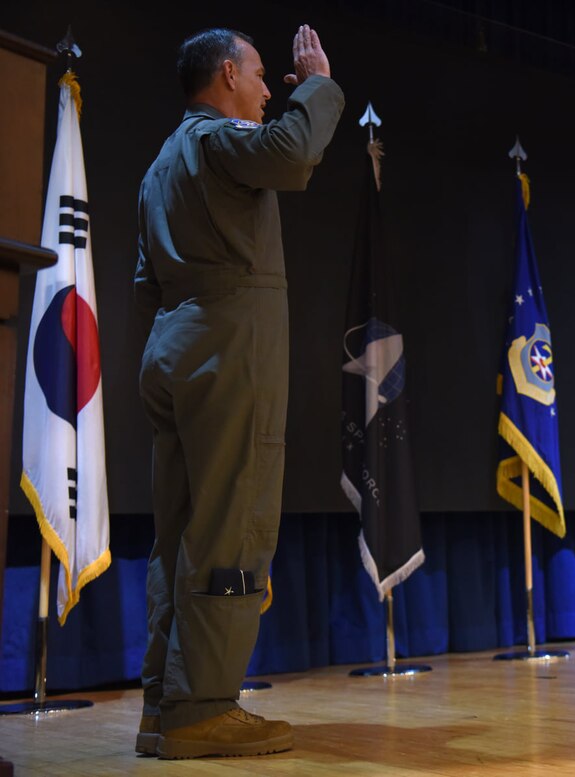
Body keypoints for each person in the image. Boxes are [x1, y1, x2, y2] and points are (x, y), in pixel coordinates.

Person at [132, 25, 344, 758]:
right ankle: (205, 706)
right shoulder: (219, 140)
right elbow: (291, 153)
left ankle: (164, 703)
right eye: (258, 76)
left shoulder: (161, 164)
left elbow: (141, 283)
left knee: (181, 534)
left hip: (172, 345)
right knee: (233, 522)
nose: (266, 90)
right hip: (228, 344)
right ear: (226, 75)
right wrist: (318, 85)